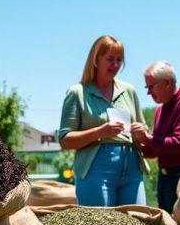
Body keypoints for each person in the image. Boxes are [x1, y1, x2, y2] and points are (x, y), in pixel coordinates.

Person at [58, 35, 148, 206]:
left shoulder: (129, 91)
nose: (115, 65)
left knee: (139, 223)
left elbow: (143, 137)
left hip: (132, 169)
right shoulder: (77, 93)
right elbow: (65, 140)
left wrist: (141, 134)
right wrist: (100, 132)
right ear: (96, 60)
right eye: (110, 59)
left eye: (119, 60)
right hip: (95, 169)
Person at [131, 61, 180, 212]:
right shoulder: (160, 110)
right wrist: (138, 141)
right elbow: (155, 150)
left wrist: (147, 138)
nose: (148, 93)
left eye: (151, 87)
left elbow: (178, 144)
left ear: (168, 83)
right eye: (147, 87)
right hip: (164, 178)